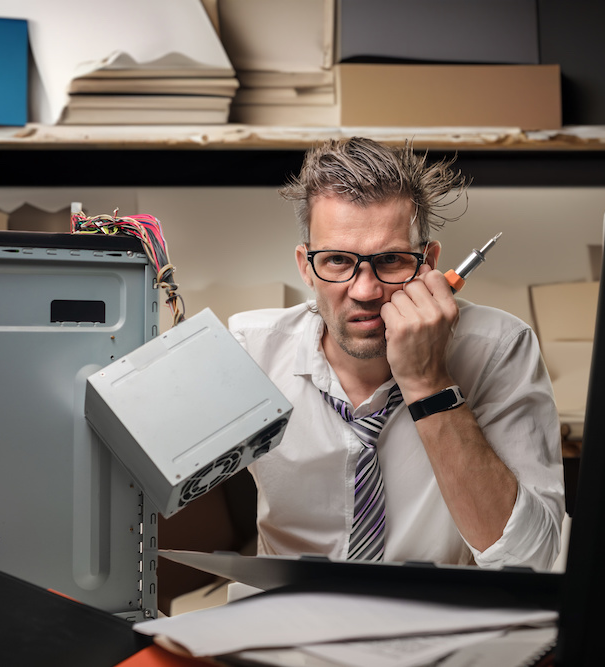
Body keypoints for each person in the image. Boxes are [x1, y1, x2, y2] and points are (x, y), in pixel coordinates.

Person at [229, 137, 564, 570]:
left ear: (429, 263)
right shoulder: (250, 351)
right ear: (304, 266)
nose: (365, 291)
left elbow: (529, 562)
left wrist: (429, 385)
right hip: (293, 624)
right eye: (335, 261)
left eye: (389, 260)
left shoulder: (499, 348)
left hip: (440, 628)